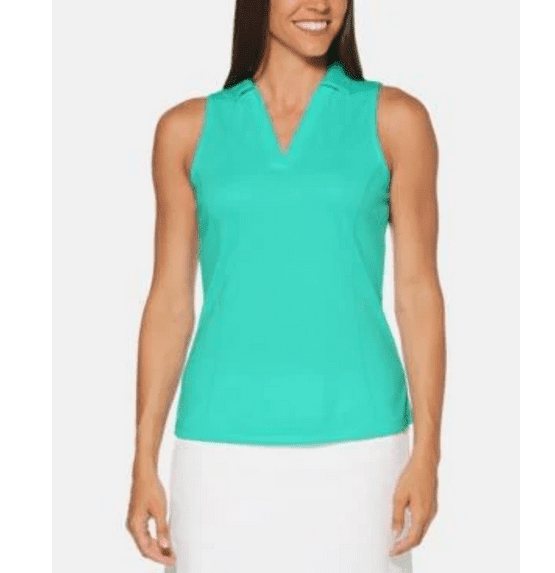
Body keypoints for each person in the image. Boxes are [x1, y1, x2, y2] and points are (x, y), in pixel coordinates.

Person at [126, 0, 445, 571]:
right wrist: (143, 460)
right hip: (219, 452)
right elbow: (170, 303)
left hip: (363, 448)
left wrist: (427, 454)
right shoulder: (186, 131)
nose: (319, 4)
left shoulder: (395, 121)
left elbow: (418, 294)